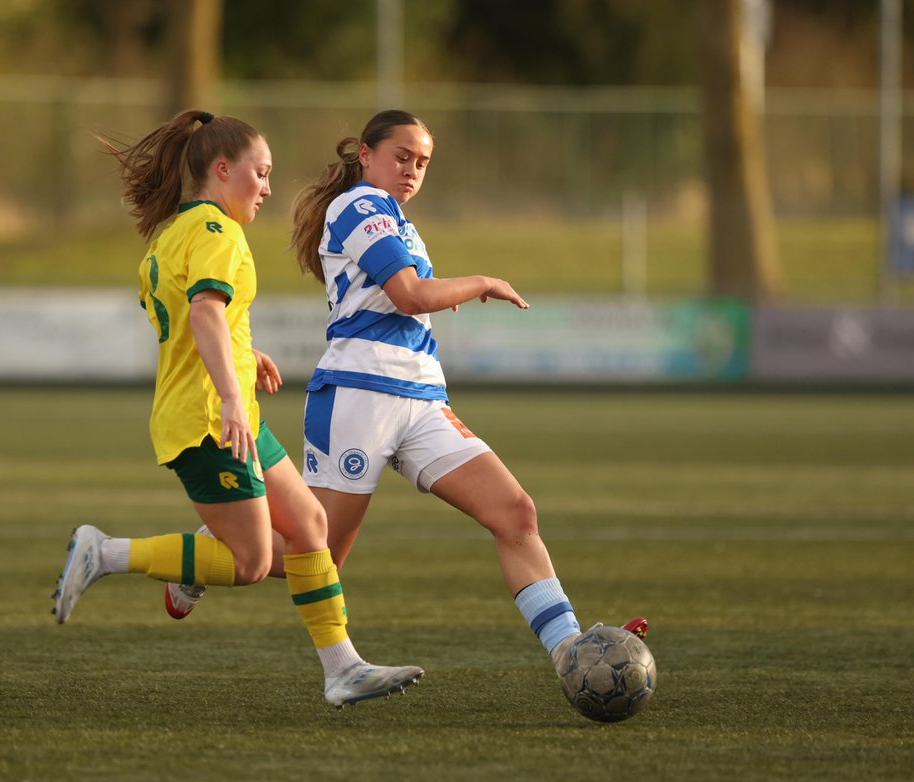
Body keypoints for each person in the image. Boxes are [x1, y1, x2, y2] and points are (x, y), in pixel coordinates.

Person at [51, 109, 423, 708]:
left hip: (225, 410)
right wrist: (229, 393)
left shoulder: (173, 233)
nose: (268, 188)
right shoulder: (220, 235)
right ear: (223, 171)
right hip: (210, 421)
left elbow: (198, 322)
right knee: (250, 561)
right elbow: (202, 314)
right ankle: (108, 552)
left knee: (309, 528)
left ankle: (342, 668)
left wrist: (245, 358)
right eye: (261, 173)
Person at [288, 109, 649, 676]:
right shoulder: (359, 205)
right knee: (314, 557)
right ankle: (200, 550)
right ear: (365, 153)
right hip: (359, 396)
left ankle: (572, 653)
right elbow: (409, 294)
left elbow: (411, 293)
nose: (412, 169)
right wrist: (480, 281)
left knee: (515, 512)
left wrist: (439, 291)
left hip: (422, 402)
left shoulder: (399, 220)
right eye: (401, 156)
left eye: (423, 162)